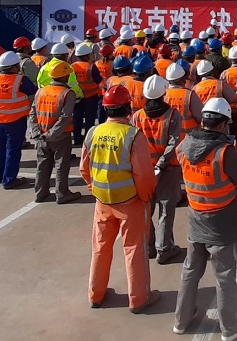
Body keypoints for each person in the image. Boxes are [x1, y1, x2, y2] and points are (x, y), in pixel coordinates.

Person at [173, 97, 237, 339]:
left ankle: (181, 320)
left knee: (190, 269)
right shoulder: (224, 152)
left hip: (196, 216)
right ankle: (230, 327)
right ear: (223, 124)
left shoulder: (185, 145)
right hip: (221, 220)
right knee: (224, 275)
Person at [80, 84, 160, 313]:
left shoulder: (93, 133)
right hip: (130, 203)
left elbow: (84, 168)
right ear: (128, 108)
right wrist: (145, 198)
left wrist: (95, 188)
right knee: (134, 249)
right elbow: (144, 174)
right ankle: (139, 298)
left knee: (100, 248)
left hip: (102, 201)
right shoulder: (133, 136)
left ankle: (96, 294)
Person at [132, 75, 183, 264]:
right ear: (163, 94)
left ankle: (149, 246)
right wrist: (161, 163)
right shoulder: (172, 115)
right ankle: (164, 248)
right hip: (168, 168)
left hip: (144, 170)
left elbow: (132, 143)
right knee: (166, 210)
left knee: (146, 209)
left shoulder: (137, 116)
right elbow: (173, 142)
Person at [29, 60, 82, 204]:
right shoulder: (67, 93)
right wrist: (51, 134)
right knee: (61, 165)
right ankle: (62, 193)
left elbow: (33, 113)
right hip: (60, 137)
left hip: (41, 136)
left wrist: (36, 132)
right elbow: (65, 118)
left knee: (42, 165)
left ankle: (40, 193)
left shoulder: (41, 91)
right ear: (64, 76)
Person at [0, 51, 37, 188]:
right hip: (15, 121)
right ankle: (9, 180)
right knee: (13, 150)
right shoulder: (20, 80)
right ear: (15, 66)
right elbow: (33, 91)